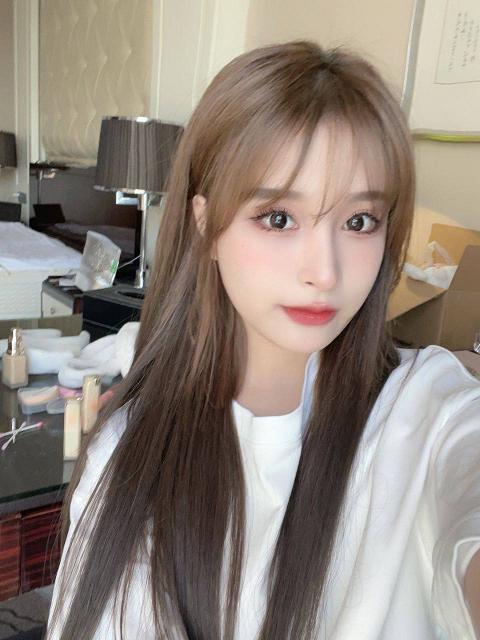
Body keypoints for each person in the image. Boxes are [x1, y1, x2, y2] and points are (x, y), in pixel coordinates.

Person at [45, 40, 480, 640]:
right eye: (279, 218)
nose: (324, 272)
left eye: (359, 222)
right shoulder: (133, 452)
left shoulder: (427, 407)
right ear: (205, 224)